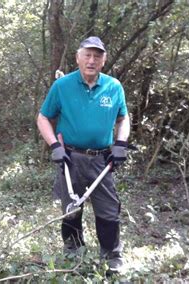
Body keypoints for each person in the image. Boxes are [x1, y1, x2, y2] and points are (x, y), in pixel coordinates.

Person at [37, 36, 131, 274]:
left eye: (97, 56)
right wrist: (54, 147)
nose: (91, 60)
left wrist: (120, 143)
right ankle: (73, 255)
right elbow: (43, 117)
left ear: (103, 60)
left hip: (102, 161)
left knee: (109, 209)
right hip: (71, 159)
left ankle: (112, 258)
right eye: (87, 55)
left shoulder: (114, 86)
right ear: (78, 58)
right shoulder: (62, 86)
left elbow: (123, 118)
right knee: (71, 208)